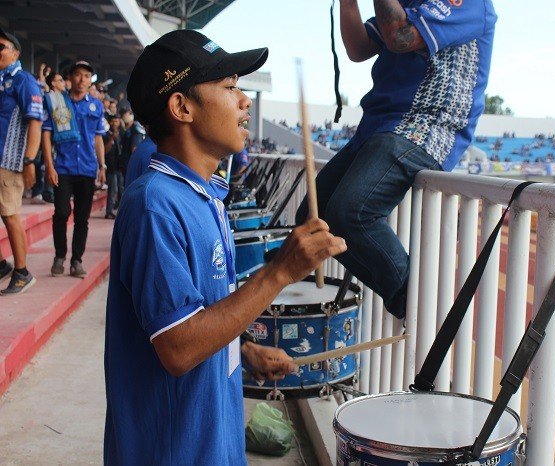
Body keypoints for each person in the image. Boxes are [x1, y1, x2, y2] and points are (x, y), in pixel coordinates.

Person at [104, 29, 347, 464]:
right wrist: (279, 272)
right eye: (230, 88)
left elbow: (200, 313)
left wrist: (244, 349)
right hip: (172, 451)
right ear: (181, 107)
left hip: (215, 443)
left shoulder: (205, 195)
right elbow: (178, 347)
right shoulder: (154, 205)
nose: (245, 101)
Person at [296, 0, 497, 319]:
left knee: (352, 213)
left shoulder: (471, 3)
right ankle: (404, 297)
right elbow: (359, 47)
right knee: (312, 218)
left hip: (426, 124)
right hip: (379, 126)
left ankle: (417, 305)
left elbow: (399, 37)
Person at [41, 60, 106, 278]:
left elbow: (98, 138)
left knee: (82, 218)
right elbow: (47, 134)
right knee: (61, 212)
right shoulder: (58, 102)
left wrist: (101, 165)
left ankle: (76, 260)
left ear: (90, 81)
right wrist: (49, 166)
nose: (82, 80)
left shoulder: (96, 106)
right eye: (78, 75)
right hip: (63, 168)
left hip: (87, 169)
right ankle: (59, 255)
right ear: (71, 78)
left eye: (87, 76)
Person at [0, 28, 42, 295]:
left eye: (1, 46)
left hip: (10, 161)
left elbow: (35, 122)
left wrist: (29, 161)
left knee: (10, 215)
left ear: (15, 52)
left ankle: (22, 272)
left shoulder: (24, 81)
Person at [103, 114, 123, 219]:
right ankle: (109, 211)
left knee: (120, 188)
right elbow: (105, 151)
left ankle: (118, 209)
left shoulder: (122, 134)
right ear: (110, 122)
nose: (115, 123)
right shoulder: (106, 135)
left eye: (117, 121)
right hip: (111, 167)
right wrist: (111, 139)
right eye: (114, 121)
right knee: (112, 189)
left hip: (119, 166)